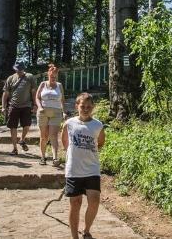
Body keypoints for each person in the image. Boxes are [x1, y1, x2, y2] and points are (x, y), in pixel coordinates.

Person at [61, 92, 105, 239]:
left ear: (93, 107)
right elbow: (65, 142)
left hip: (92, 168)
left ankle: (86, 230)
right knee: (75, 203)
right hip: (74, 169)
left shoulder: (98, 125)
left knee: (94, 201)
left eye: (88, 107)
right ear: (77, 106)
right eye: (82, 106)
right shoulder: (69, 123)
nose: (85, 109)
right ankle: (74, 236)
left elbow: (100, 143)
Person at [1, 62, 37, 155]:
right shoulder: (11, 78)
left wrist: (35, 104)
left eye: (20, 69)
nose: (19, 71)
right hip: (13, 105)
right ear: (15, 69)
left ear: (23, 69)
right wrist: (3, 107)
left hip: (26, 105)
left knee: (27, 124)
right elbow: (5, 93)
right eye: (17, 69)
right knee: (13, 127)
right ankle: (14, 148)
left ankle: (22, 139)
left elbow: (33, 91)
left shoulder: (30, 77)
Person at [35, 63, 66, 166]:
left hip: (56, 112)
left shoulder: (59, 85)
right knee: (44, 136)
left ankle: (55, 158)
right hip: (43, 112)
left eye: (55, 76)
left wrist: (64, 111)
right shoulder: (43, 84)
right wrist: (39, 107)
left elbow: (62, 99)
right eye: (51, 76)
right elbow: (37, 97)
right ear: (48, 74)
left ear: (57, 75)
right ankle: (43, 157)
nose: (53, 77)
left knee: (53, 135)